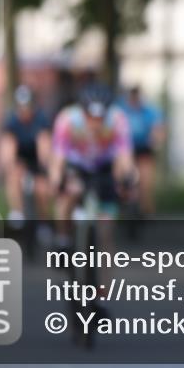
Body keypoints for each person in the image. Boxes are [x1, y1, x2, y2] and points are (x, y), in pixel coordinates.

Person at [50, 83, 135, 251]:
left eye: (100, 118)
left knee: (107, 226)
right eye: (90, 117)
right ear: (82, 111)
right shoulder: (67, 120)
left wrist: (128, 179)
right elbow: (58, 158)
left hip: (104, 165)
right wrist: (57, 180)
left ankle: (104, 267)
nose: (95, 123)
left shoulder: (118, 120)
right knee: (68, 193)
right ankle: (63, 238)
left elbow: (125, 156)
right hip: (77, 165)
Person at [0, 85, 53, 241]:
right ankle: (17, 212)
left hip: (37, 159)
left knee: (42, 189)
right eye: (22, 106)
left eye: (27, 106)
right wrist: (10, 164)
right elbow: (8, 144)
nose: (25, 110)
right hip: (20, 159)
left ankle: (43, 223)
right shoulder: (11, 120)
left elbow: (44, 143)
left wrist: (44, 165)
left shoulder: (41, 119)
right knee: (13, 176)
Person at [119, 86, 165, 216]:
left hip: (144, 149)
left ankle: (147, 210)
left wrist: (156, 138)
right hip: (126, 150)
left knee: (146, 183)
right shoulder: (121, 110)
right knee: (123, 179)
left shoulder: (149, 111)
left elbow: (159, 129)